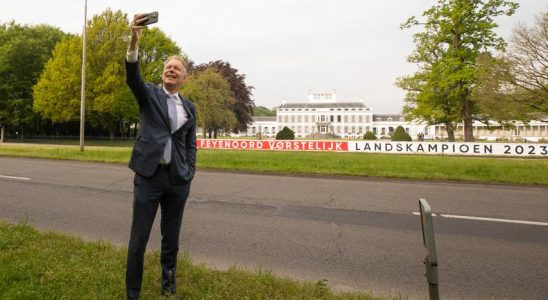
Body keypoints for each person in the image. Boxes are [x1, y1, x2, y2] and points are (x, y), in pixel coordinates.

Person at [125, 13, 197, 300]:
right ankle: (133, 293)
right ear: (162, 74)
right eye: (168, 66)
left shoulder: (189, 106)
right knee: (138, 239)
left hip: (177, 180)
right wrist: (134, 40)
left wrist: (189, 170)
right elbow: (132, 75)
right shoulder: (149, 95)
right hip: (149, 177)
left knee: (171, 239)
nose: (171, 70)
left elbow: (190, 143)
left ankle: (169, 287)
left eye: (177, 68)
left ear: (184, 77)